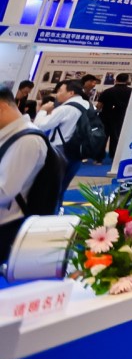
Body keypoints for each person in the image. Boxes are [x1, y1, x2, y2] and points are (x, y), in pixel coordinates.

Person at [0, 86, 52, 262]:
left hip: (6, 224)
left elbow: (5, 192)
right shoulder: (10, 134)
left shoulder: (27, 140)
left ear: (2, 107)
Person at [33, 79, 90, 196]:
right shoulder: (89, 106)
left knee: (50, 191)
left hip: (60, 150)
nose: (57, 94)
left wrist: (42, 111)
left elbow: (40, 126)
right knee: (61, 188)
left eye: (60, 91)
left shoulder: (65, 108)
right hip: (79, 150)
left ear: (71, 93)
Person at [97, 72, 132, 155]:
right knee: (116, 137)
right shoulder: (131, 91)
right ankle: (114, 156)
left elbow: (99, 105)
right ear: (127, 80)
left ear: (116, 80)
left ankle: (98, 158)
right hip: (121, 117)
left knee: (103, 137)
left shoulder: (107, 91)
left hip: (105, 117)